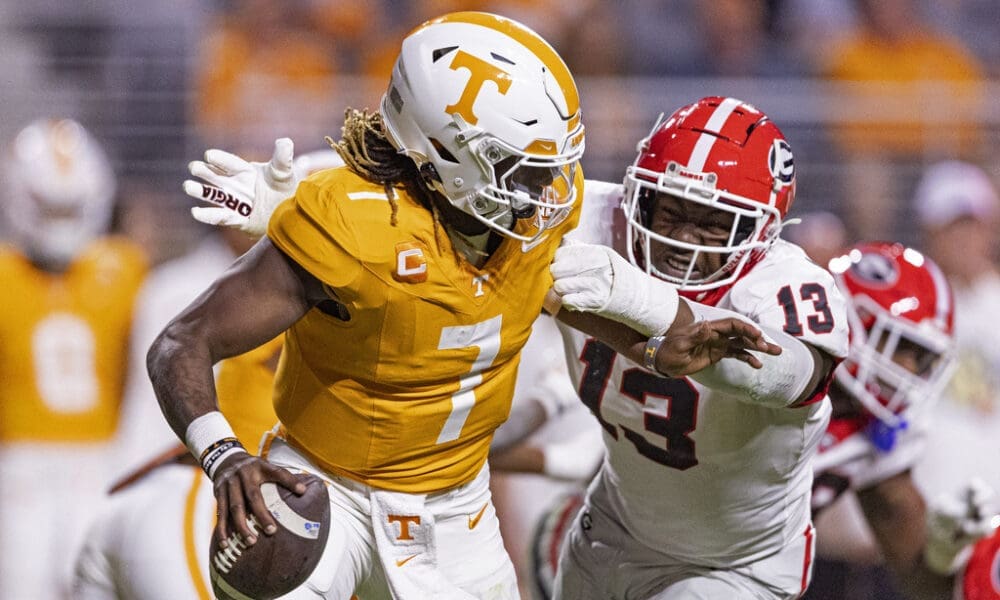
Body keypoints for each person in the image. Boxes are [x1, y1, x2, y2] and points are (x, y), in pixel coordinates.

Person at [0, 118, 148, 599]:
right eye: (48, 206)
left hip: (100, 458)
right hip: (20, 463)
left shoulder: (124, 269)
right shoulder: (122, 267)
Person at [804, 241, 975, 600]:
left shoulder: (873, 427)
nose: (909, 371)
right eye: (899, 345)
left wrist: (946, 555)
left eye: (922, 357)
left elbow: (927, 584)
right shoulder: (771, 374)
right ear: (846, 320)